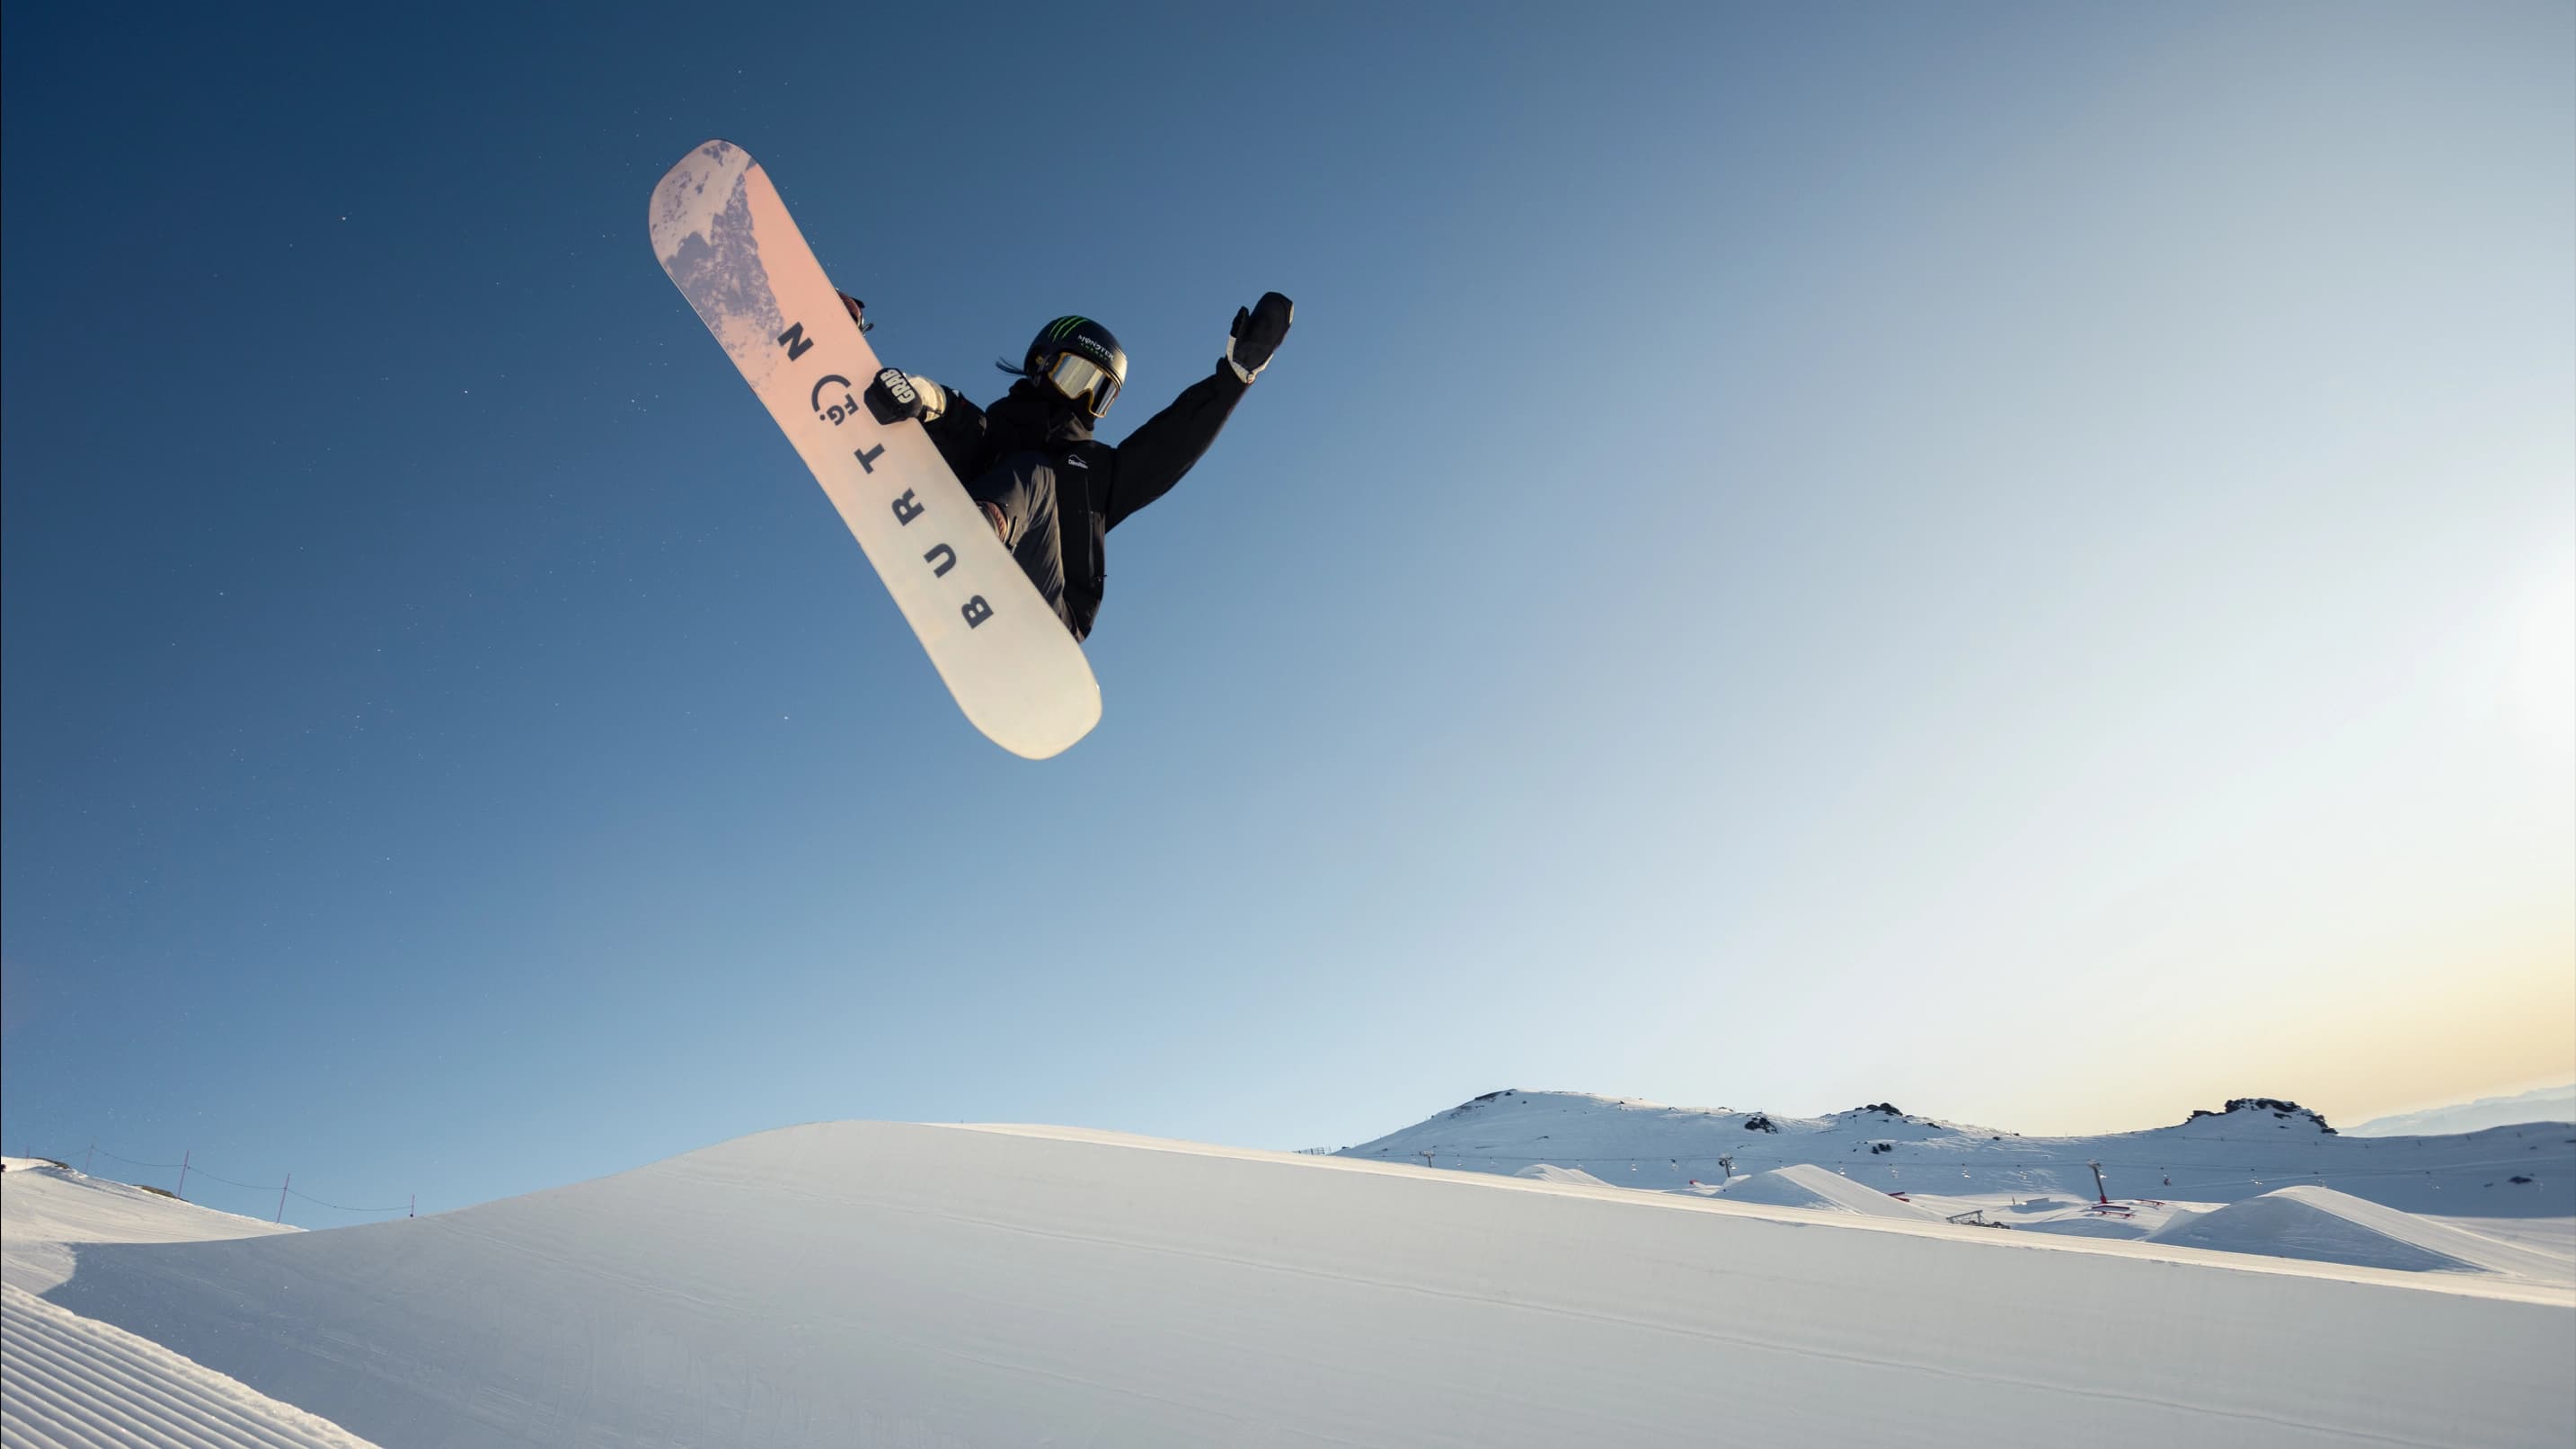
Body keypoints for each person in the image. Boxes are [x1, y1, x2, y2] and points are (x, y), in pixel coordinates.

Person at [844, 291, 1293, 641]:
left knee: (1037, 476)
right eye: (1075, 377)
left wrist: (1234, 378)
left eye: (1099, 391)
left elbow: (1171, 443)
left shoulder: (1099, 471)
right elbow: (957, 417)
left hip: (1051, 606)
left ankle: (977, 535)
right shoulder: (995, 433)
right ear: (1041, 364)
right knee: (968, 436)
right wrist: (915, 393)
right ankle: (969, 528)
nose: (1081, 399)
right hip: (977, 531)